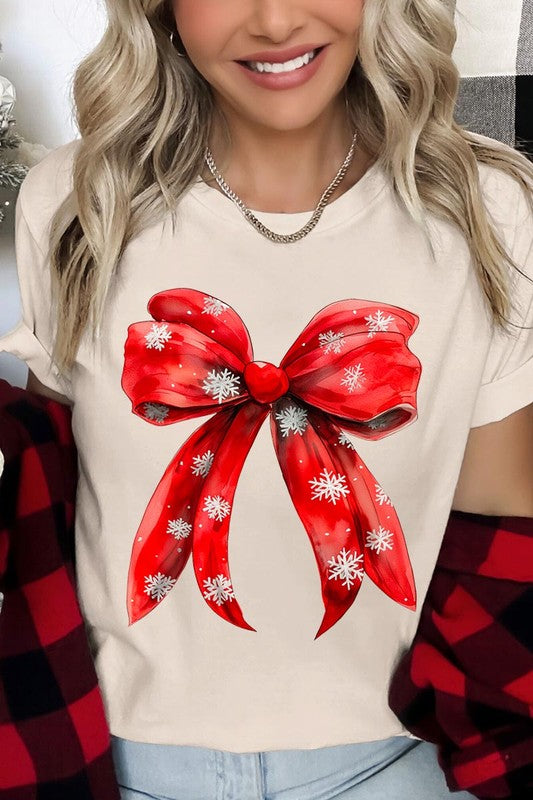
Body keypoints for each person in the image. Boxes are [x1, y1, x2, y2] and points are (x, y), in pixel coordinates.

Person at [0, 1, 532, 798]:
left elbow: (502, 547)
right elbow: (47, 517)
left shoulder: (488, 213)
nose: (277, 20)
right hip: (117, 760)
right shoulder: (79, 201)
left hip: (397, 764)